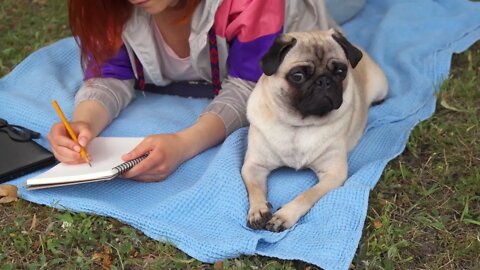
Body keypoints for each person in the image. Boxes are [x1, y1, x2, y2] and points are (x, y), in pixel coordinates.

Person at [48, 0, 366, 182]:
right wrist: (83, 123)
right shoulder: (107, 7)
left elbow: (249, 85)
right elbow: (108, 75)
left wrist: (184, 144)